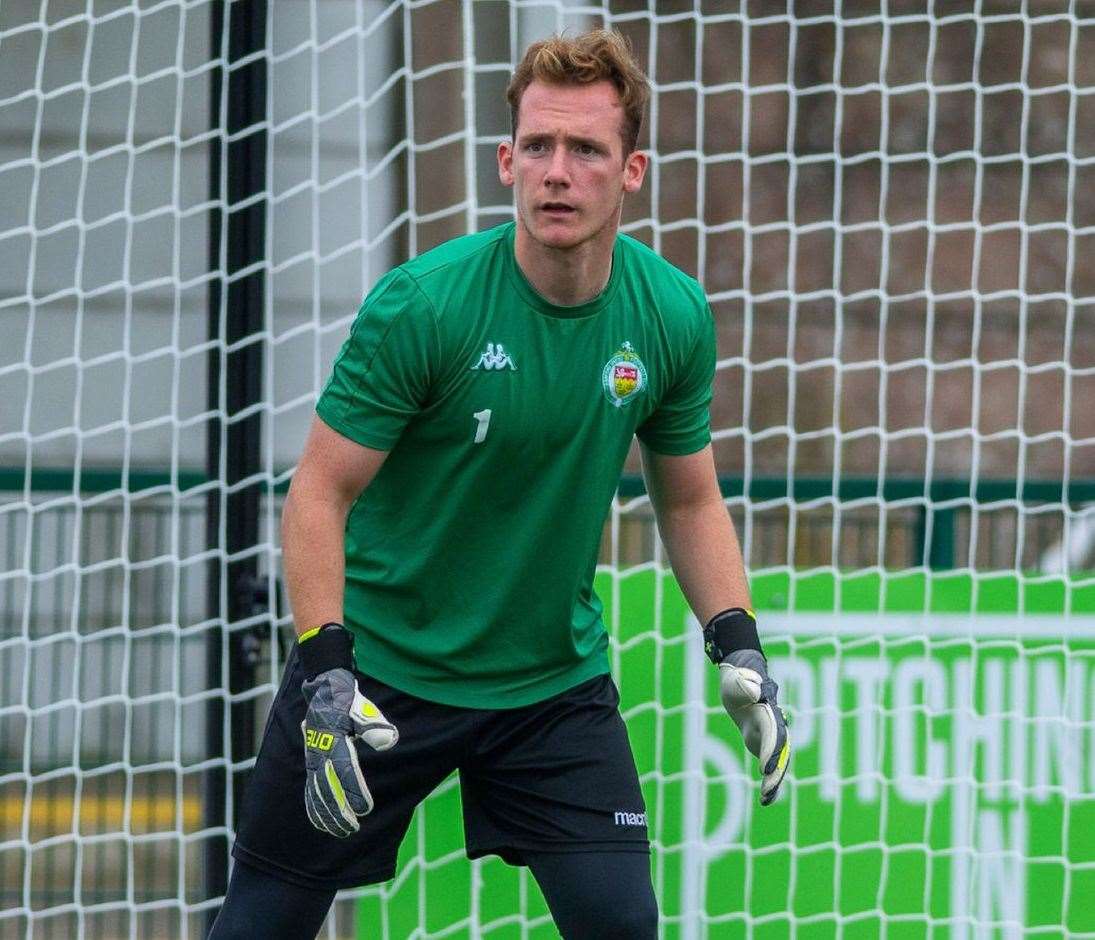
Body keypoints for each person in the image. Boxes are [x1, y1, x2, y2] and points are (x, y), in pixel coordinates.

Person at [209, 27, 789, 940]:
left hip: (549, 688)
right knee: (260, 926)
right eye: (541, 147)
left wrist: (737, 642)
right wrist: (324, 674)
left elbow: (688, 498)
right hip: (373, 676)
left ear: (630, 170)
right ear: (506, 160)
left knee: (622, 927)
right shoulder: (423, 306)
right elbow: (319, 490)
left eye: (587, 149)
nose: (559, 171)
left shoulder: (671, 314)